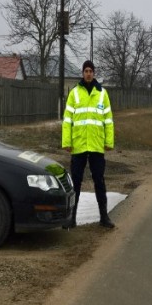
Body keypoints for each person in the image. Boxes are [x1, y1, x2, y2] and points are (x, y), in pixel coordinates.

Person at [62, 60, 116, 229]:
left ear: (94, 73)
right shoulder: (74, 93)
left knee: (99, 180)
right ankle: (72, 219)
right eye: (86, 70)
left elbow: (108, 120)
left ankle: (104, 217)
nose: (88, 73)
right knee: (75, 183)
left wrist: (109, 142)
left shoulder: (102, 94)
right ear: (82, 73)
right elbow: (67, 120)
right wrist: (66, 142)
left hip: (96, 145)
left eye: (91, 71)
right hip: (78, 145)